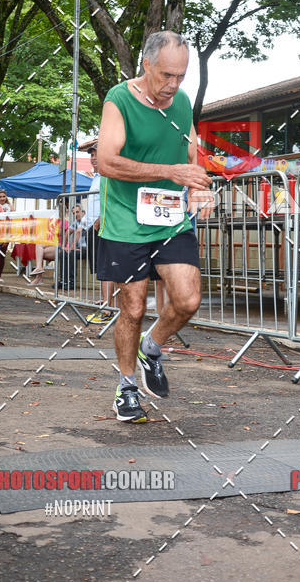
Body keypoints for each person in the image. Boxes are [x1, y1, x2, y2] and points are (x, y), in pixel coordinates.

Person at [97, 30, 214, 422]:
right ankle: (126, 387)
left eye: (181, 76)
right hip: (126, 221)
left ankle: (153, 346)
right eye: (166, 75)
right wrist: (170, 171)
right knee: (131, 308)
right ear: (146, 65)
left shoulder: (180, 102)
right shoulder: (119, 99)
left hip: (170, 219)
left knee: (187, 300)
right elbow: (107, 162)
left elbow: (190, 146)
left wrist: (197, 187)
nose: (174, 85)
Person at [84, 144, 115, 324]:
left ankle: (108, 309)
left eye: (97, 154)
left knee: (106, 269)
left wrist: (99, 220)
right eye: (92, 155)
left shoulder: (108, 175)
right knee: (101, 268)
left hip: (104, 227)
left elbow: (109, 199)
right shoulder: (95, 177)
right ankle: (107, 303)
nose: (94, 158)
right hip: (94, 227)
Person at [0, 189, 12, 283]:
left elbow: (11, 221)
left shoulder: (9, 207)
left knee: (2, 255)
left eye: (4, 196)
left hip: (6, 233)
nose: (2, 198)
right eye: (0, 197)